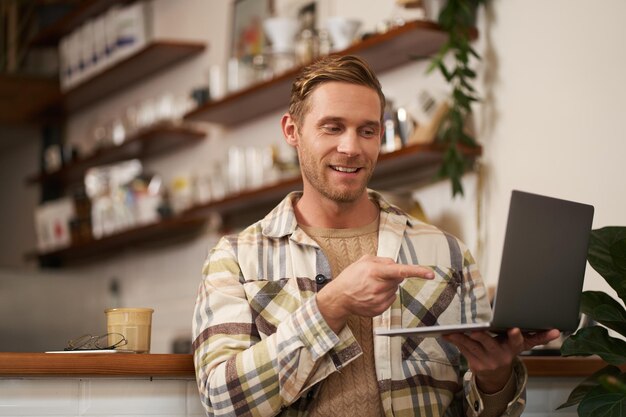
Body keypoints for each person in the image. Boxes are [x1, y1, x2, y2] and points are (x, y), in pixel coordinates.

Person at [192, 55, 559, 417]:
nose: (351, 148)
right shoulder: (235, 258)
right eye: (332, 127)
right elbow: (221, 402)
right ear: (292, 131)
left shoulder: (447, 253)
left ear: (380, 136)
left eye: (367, 131)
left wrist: (494, 378)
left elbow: (473, 406)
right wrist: (330, 306)